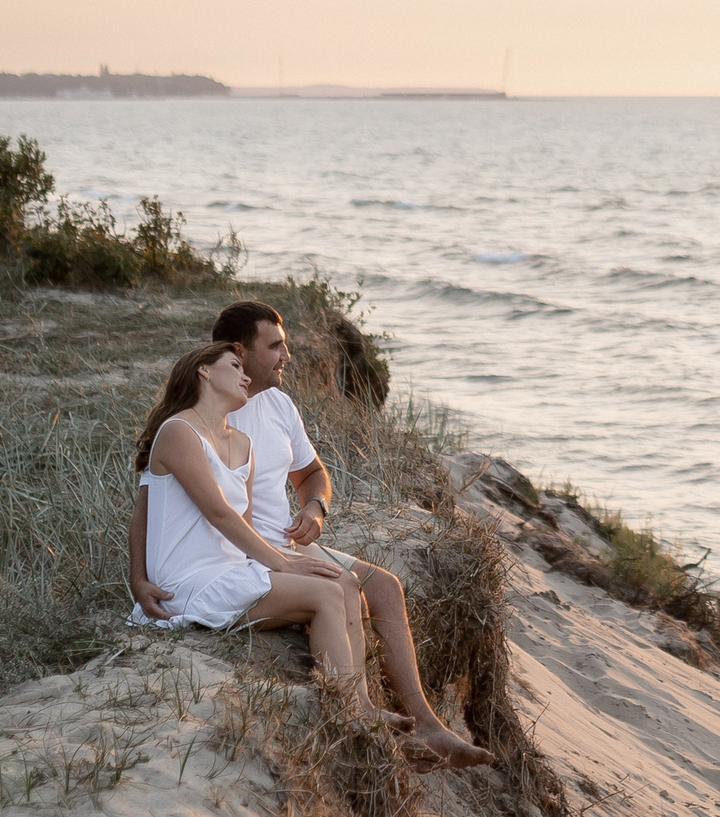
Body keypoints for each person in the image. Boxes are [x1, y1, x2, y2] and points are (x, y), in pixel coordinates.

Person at [131, 300, 492, 768]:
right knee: (342, 590)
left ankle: (421, 725)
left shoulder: (272, 408)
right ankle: (359, 715)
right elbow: (164, 505)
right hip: (244, 553)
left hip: (279, 543)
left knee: (381, 585)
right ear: (233, 355)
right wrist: (139, 579)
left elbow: (312, 474)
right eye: (274, 346)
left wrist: (315, 509)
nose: (286, 356)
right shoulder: (201, 421)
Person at [129, 340, 392, 723]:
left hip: (232, 569)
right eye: (235, 366)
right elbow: (218, 513)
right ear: (204, 371)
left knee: (345, 583)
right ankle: (348, 713)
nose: (246, 375)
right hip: (189, 580)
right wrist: (286, 564)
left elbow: (244, 524)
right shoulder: (179, 431)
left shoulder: (243, 444)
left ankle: (365, 706)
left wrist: (283, 562)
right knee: (324, 594)